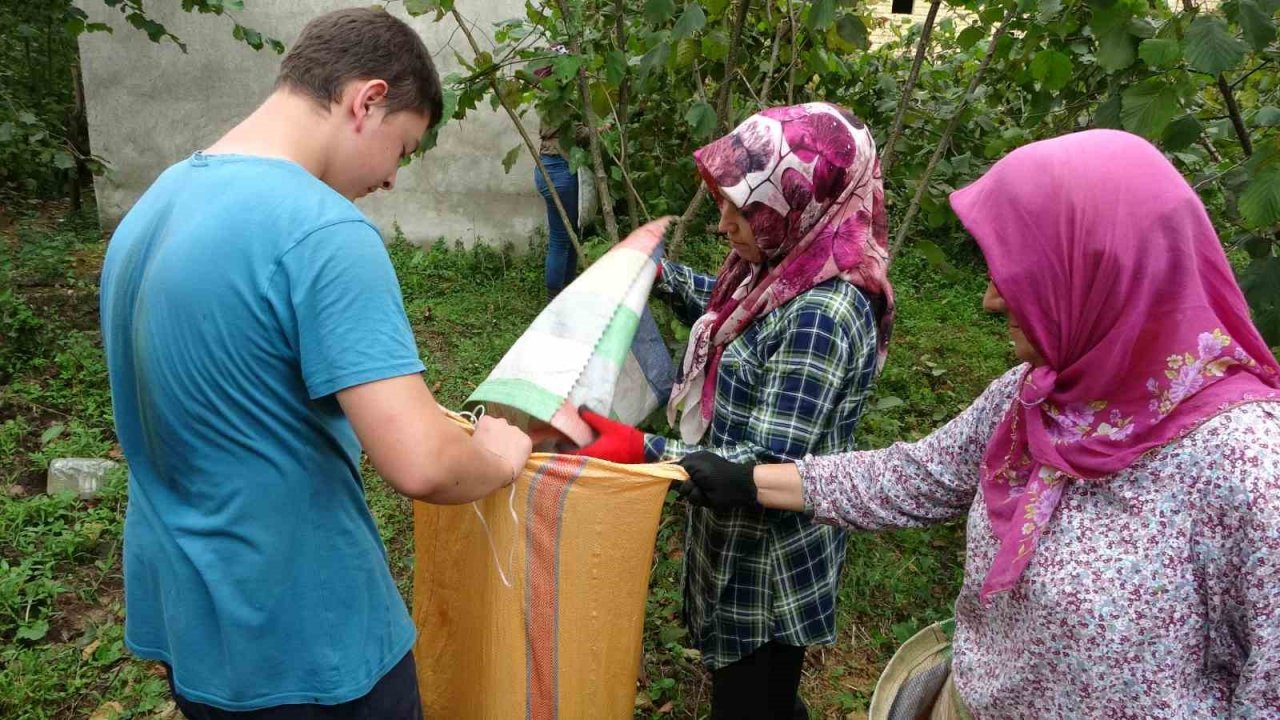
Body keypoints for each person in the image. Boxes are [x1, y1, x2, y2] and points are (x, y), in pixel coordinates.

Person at [677, 129, 1280, 718]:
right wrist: (747, 481)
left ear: (1103, 271)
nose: (991, 300)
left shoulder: (1246, 464)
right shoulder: (1036, 397)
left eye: (1019, 272)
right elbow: (915, 476)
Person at [99, 9, 532, 718]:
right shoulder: (322, 231)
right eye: (404, 146)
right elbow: (422, 462)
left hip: (194, 626)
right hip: (309, 645)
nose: (393, 178)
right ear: (367, 100)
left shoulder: (156, 204)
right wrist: (497, 454)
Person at [576, 103, 895, 719]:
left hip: (769, 565)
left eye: (740, 209)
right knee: (768, 699)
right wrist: (663, 276)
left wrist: (638, 450)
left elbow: (763, 468)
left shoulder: (823, 315)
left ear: (797, 202)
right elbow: (734, 317)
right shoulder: (782, 265)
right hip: (736, 547)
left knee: (753, 697)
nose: (725, 225)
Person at [531, 44, 588, 298]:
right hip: (560, 168)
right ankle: (556, 298)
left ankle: (564, 294)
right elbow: (573, 133)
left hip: (547, 166)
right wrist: (599, 131)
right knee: (563, 238)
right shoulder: (560, 94)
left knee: (566, 235)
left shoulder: (547, 92)